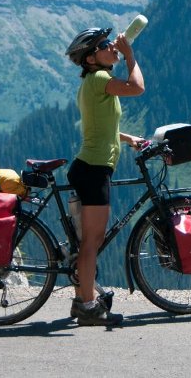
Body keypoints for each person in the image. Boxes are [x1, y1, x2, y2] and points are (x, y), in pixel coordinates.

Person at [64, 26, 146, 326]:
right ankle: (88, 307)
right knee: (91, 242)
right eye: (104, 44)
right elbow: (137, 88)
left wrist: (128, 138)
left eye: (110, 42)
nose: (111, 45)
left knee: (87, 242)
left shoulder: (92, 82)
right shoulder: (101, 79)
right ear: (90, 59)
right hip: (94, 170)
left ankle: (80, 298)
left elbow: (100, 125)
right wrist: (130, 56)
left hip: (90, 168)